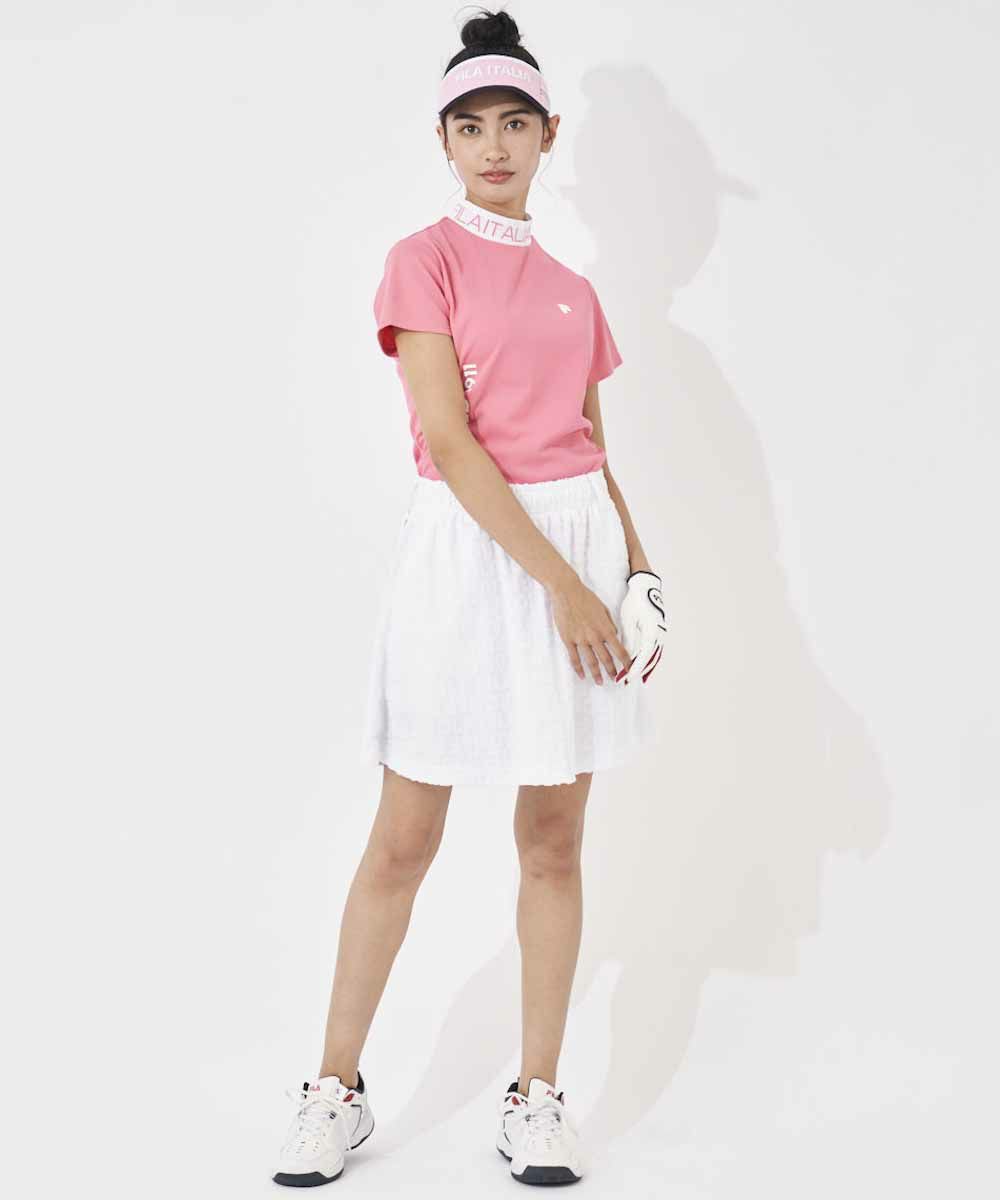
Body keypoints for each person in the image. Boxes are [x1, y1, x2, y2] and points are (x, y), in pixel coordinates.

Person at [273, 7, 667, 1189]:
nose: (493, 145)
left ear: (549, 135)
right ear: (443, 141)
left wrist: (637, 576)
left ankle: (536, 1096)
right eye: (469, 126)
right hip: (471, 556)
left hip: (579, 557)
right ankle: (334, 1089)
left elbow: (592, 453)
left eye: (513, 123)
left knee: (552, 837)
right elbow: (448, 440)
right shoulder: (423, 261)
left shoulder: (574, 290)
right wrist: (566, 589)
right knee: (406, 835)